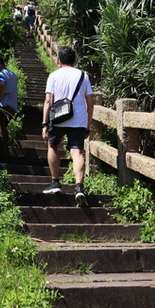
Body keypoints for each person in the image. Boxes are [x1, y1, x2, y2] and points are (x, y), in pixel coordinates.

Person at [41, 46, 94, 206]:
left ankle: (55, 182)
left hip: (58, 118)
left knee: (53, 146)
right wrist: (88, 125)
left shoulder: (53, 76)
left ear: (59, 60)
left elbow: (48, 101)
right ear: (75, 60)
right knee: (77, 152)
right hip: (78, 119)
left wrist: (44, 124)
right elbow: (90, 103)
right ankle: (79, 188)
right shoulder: (83, 75)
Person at [0, 56, 18, 163]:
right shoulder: (12, 74)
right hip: (12, 107)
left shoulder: (0, 74)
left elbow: (2, 83)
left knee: (0, 132)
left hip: (2, 107)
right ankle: (5, 155)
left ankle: (1, 158)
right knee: (4, 130)